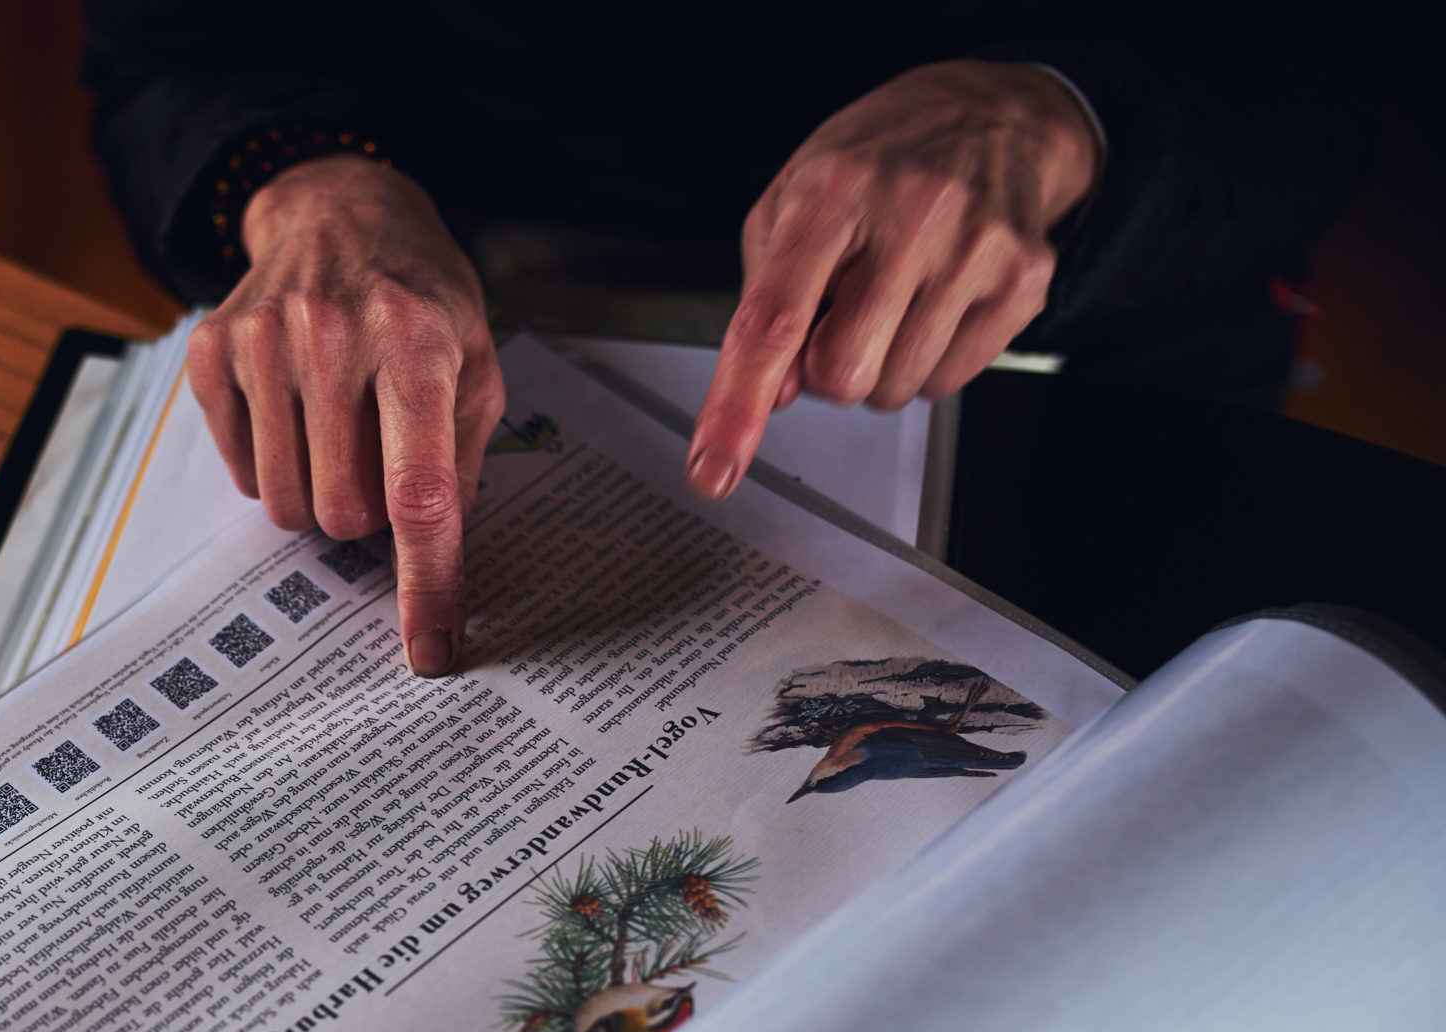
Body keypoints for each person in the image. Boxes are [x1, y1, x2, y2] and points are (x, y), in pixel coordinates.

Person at [83, 2, 1376, 676]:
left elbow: (1339, 62)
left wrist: (1061, 110)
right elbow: (179, 37)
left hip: (1093, 285)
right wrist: (305, 178)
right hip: (464, 261)